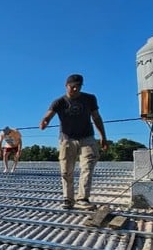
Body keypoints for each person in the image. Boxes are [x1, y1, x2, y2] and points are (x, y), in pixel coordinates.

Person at [39, 73, 108, 209]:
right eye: (72, 86)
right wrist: (44, 121)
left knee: (87, 167)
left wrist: (103, 136)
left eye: (78, 86)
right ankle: (68, 199)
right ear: (66, 86)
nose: (75, 89)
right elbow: (48, 115)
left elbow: (96, 117)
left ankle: (82, 198)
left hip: (87, 137)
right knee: (66, 170)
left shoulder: (89, 99)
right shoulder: (59, 102)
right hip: (67, 139)